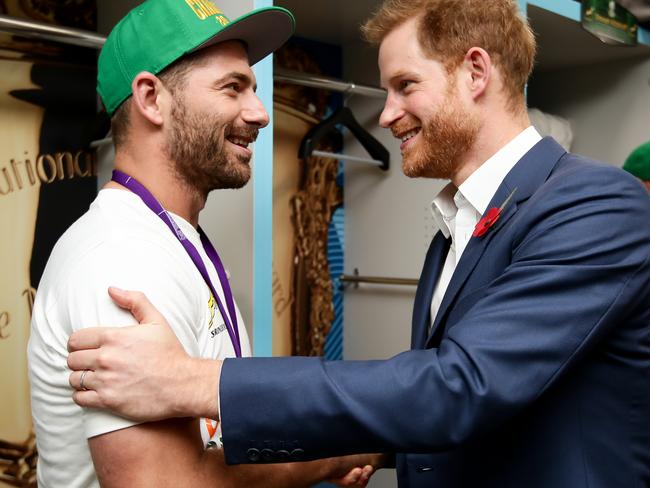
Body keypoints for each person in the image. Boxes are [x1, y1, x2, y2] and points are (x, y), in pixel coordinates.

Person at [67, 0, 650, 486]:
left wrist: (189, 380)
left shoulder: (598, 205)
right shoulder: (460, 223)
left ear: (476, 72)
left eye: (404, 86)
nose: (387, 113)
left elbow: (458, 386)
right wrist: (364, 448)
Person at [28, 1, 381, 487]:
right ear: (152, 98)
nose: (259, 114)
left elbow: (216, 440)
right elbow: (167, 482)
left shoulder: (171, 237)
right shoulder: (122, 256)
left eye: (253, 89)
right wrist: (337, 456)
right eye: (233, 87)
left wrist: (314, 444)